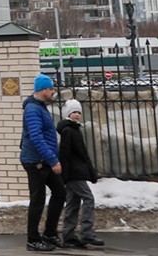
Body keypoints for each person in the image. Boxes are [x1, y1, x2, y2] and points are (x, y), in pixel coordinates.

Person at [19, 73, 66, 252]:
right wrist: (53, 160)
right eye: (50, 89)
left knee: (60, 193)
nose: (53, 92)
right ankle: (33, 239)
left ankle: (50, 233)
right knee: (37, 200)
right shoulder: (33, 109)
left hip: (43, 160)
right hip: (36, 162)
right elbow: (36, 137)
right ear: (41, 90)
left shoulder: (40, 106)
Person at [57, 100, 102, 249]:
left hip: (75, 173)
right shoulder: (68, 130)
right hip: (73, 174)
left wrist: (90, 171)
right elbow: (65, 154)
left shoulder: (75, 129)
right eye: (73, 112)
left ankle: (68, 236)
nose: (77, 115)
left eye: (78, 112)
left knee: (73, 203)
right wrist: (66, 175)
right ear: (68, 114)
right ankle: (86, 233)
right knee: (88, 199)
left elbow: (81, 155)